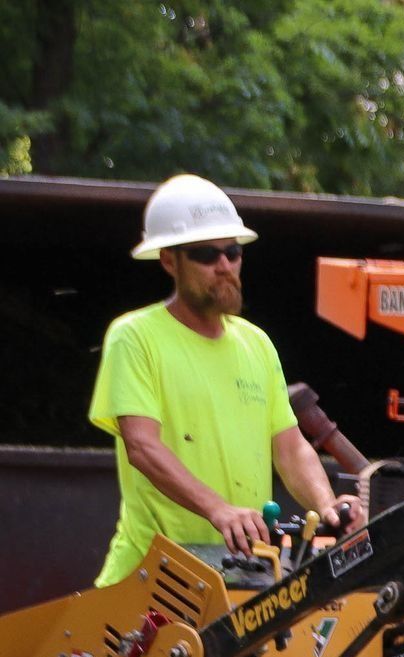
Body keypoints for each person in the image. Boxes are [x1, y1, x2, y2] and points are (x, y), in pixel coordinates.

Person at [90, 174, 363, 587]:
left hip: (238, 575)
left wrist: (327, 507)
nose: (224, 265)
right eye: (205, 253)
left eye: (232, 252)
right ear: (169, 261)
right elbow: (142, 447)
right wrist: (219, 509)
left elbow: (289, 447)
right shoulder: (135, 336)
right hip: (149, 579)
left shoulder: (256, 344)